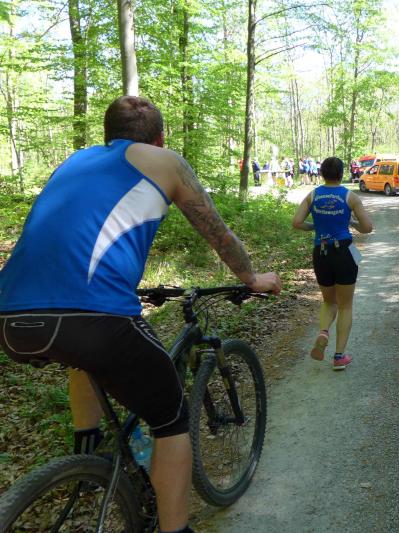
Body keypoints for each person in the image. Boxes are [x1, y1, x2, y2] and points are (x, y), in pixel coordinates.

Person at [0, 96, 282, 533]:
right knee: (172, 420)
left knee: (84, 356)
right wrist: (251, 278)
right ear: (160, 138)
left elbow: (73, 237)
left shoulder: (75, 161)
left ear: (107, 135)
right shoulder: (165, 161)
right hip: (94, 317)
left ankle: (88, 457)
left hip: (11, 316)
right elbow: (218, 232)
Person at [292, 157, 373, 370]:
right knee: (345, 305)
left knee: (329, 302)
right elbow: (367, 227)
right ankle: (339, 356)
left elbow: (297, 222)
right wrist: (351, 221)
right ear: (341, 173)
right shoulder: (350, 197)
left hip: (321, 252)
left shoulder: (313, 195)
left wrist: (314, 227)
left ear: (321, 174)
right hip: (344, 252)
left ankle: (323, 331)